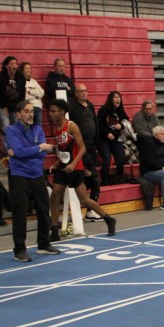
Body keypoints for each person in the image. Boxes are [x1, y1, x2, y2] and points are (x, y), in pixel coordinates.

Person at [47, 99, 116, 240]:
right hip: (63, 167)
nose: (51, 114)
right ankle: (54, 231)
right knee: (54, 196)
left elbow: (83, 148)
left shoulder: (71, 126)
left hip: (75, 167)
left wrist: (73, 164)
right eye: (50, 111)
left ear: (62, 111)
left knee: (84, 199)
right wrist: (56, 163)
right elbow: (62, 149)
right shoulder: (55, 129)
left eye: (54, 111)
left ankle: (108, 219)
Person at [5, 100, 61, 262]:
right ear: (18, 114)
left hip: (37, 173)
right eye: (26, 111)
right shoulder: (11, 130)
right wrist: (38, 148)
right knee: (20, 213)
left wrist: (26, 152)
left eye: (31, 111)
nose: (30, 114)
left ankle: (44, 244)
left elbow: (39, 154)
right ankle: (19, 250)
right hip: (19, 175)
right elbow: (21, 152)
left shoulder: (38, 129)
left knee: (43, 209)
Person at [96, 91, 131, 184]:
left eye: (119, 97)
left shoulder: (120, 111)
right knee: (107, 159)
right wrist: (107, 133)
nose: (118, 99)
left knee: (120, 159)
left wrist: (121, 125)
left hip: (116, 138)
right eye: (115, 97)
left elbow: (126, 120)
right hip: (103, 139)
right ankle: (105, 181)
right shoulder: (103, 110)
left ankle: (119, 178)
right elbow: (99, 125)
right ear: (111, 99)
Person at [0, 56, 25, 142]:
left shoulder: (20, 76)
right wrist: (3, 106)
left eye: (16, 63)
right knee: (5, 125)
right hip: (0, 103)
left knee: (16, 124)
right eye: (11, 64)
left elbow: (22, 93)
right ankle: (8, 147)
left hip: (14, 104)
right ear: (6, 66)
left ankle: (16, 145)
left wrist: (20, 107)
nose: (14, 65)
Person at [21, 62, 44, 126]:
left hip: (37, 106)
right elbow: (24, 96)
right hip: (27, 106)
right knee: (27, 126)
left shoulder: (33, 81)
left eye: (30, 68)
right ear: (22, 70)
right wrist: (36, 95)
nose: (29, 70)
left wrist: (29, 92)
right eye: (26, 68)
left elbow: (42, 93)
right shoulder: (20, 81)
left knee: (38, 127)